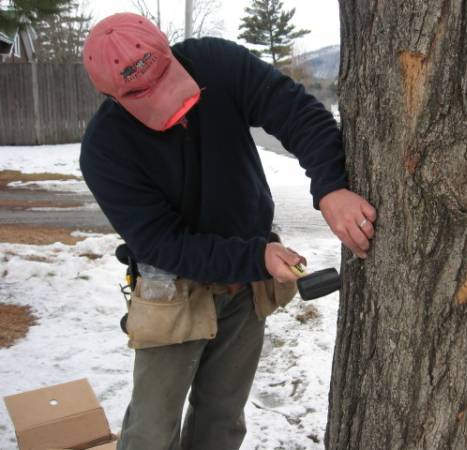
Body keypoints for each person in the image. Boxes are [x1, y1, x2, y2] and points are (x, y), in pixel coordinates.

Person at [80, 12, 376, 450]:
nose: (172, 105)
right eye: (147, 95)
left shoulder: (214, 63)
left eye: (166, 77)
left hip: (247, 283)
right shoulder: (105, 150)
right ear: (111, 95)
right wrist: (255, 257)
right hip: (173, 290)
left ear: (168, 48)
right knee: (152, 430)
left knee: (221, 421)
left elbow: (297, 113)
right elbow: (163, 243)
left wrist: (331, 187)